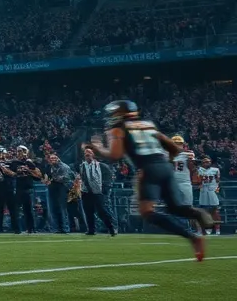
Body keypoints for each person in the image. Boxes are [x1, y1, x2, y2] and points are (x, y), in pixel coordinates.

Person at [88, 100, 214, 259]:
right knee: (176, 208)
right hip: (165, 167)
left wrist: (97, 147)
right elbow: (175, 148)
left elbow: (115, 155)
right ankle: (198, 214)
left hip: (148, 169)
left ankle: (192, 236)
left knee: (147, 212)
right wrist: (162, 164)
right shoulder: (148, 125)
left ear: (118, 114)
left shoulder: (118, 129)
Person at [77, 146, 116, 236]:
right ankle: (91, 230)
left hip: (98, 191)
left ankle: (111, 228)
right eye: (86, 153)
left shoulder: (101, 166)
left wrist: (105, 189)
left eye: (89, 153)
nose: (87, 154)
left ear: (93, 155)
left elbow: (108, 177)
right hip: (86, 192)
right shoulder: (82, 166)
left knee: (102, 211)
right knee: (88, 211)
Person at [197, 156, 221, 235]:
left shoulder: (215, 170)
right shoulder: (199, 170)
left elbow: (218, 182)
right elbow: (197, 180)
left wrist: (216, 190)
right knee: (204, 212)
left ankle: (217, 229)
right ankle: (206, 229)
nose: (208, 163)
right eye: (206, 162)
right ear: (202, 163)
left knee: (215, 211)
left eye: (209, 161)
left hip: (212, 191)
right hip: (203, 191)